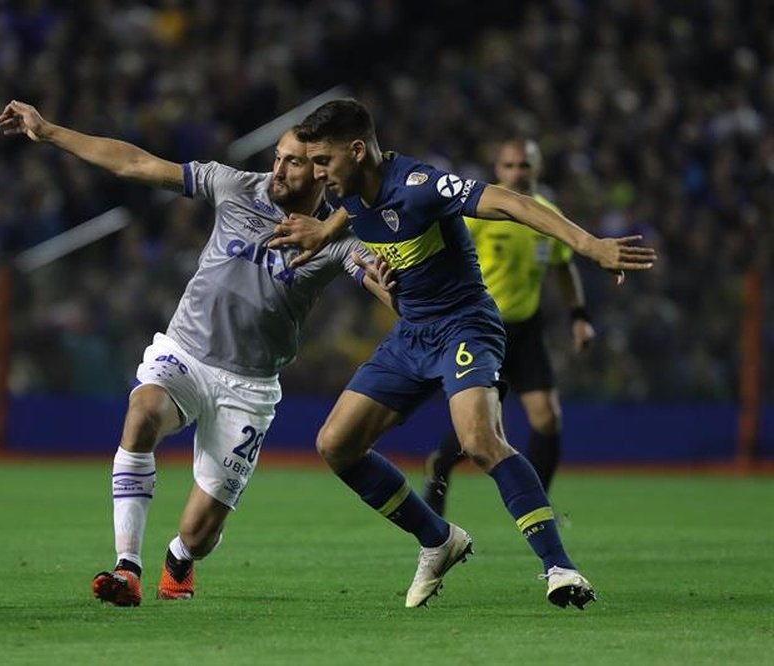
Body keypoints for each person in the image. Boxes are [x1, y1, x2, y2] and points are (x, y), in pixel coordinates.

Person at [0, 100, 394, 606]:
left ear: (320, 170)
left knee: (200, 532)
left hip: (248, 388)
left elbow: (381, 281)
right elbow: (136, 164)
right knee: (141, 414)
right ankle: (127, 568)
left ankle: (179, 557)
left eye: (293, 162)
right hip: (186, 353)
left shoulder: (336, 237)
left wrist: (408, 292)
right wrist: (49, 131)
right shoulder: (235, 187)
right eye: (277, 157)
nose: (278, 169)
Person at [269, 99, 655, 609]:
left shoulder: (421, 186)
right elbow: (358, 208)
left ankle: (559, 568)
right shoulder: (352, 191)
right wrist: (324, 231)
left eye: (323, 162)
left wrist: (589, 246)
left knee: (479, 438)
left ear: (357, 151)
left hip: (464, 326)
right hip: (412, 333)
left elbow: (514, 203)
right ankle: (438, 538)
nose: (317, 174)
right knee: (336, 444)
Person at [422, 138, 595, 516]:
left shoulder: (547, 215)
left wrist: (578, 315)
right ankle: (441, 465)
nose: (518, 173)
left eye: (525, 166)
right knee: (479, 428)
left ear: (537, 169)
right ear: (498, 170)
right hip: (481, 327)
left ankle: (538, 504)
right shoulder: (480, 212)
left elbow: (563, 266)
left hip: (526, 327)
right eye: (510, 166)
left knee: (547, 418)